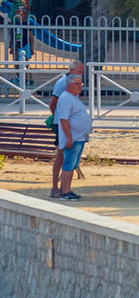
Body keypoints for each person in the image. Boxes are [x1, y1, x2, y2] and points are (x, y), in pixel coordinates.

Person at [53, 69, 93, 201]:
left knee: (72, 165)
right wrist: (69, 138)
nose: (80, 86)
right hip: (73, 138)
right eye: (77, 84)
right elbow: (63, 119)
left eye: (80, 84)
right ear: (69, 85)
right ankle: (65, 191)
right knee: (68, 165)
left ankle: (67, 189)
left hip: (79, 137)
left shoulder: (72, 98)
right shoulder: (65, 99)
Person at [47, 61, 85, 196]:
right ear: (71, 70)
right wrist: (57, 119)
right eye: (79, 71)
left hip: (69, 125)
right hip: (63, 124)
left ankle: (63, 188)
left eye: (82, 72)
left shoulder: (75, 83)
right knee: (61, 154)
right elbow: (53, 103)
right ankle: (57, 187)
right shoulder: (64, 83)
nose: (81, 74)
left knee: (66, 155)